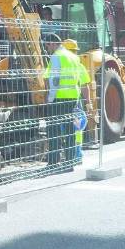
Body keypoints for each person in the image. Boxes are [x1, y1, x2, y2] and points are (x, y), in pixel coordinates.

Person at [42, 34, 84, 169]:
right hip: (73, 97)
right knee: (69, 130)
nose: (46, 48)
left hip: (58, 97)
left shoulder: (56, 57)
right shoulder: (74, 57)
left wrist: (49, 99)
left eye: (47, 45)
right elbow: (78, 79)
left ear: (54, 44)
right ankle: (69, 162)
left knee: (53, 129)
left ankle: (53, 162)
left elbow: (54, 80)